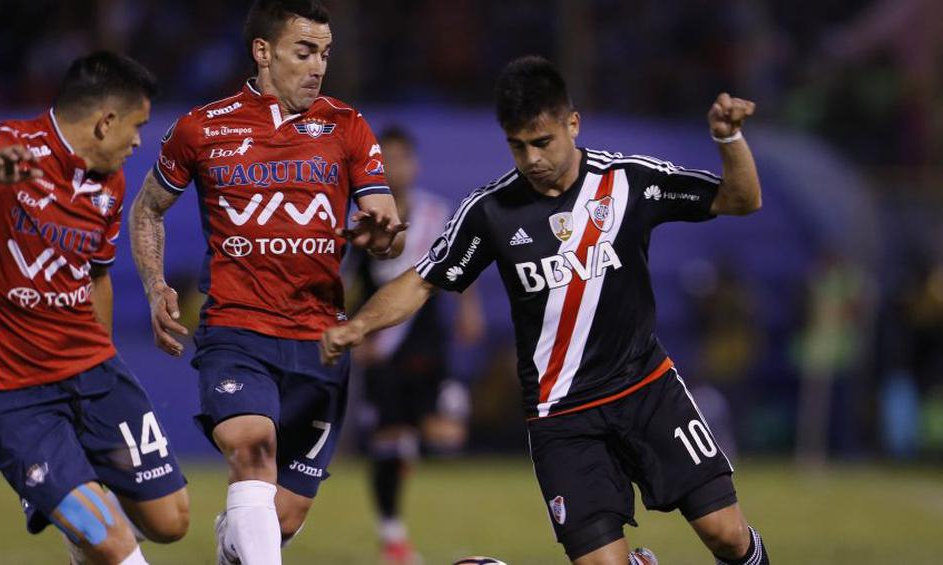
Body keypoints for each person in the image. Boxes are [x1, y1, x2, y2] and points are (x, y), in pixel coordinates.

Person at [322, 55, 769, 565]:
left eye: (542, 142)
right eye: (517, 146)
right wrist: (357, 325)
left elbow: (741, 199)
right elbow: (422, 280)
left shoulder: (628, 182)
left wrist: (729, 139)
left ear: (572, 124)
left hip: (647, 391)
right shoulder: (490, 211)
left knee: (728, 535)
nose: (531, 158)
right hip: (561, 416)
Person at [128, 1, 405, 563]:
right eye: (304, 52)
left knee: (279, 517)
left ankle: (234, 542)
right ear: (263, 51)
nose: (317, 66)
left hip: (321, 342)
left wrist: (383, 234)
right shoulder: (201, 128)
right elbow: (147, 209)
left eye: (325, 54)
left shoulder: (347, 126)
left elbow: (386, 220)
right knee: (252, 449)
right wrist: (156, 283)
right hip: (238, 330)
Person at [0, 51, 189, 565]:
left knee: (170, 521)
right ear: (106, 121)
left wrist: (103, 360)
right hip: (11, 393)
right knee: (113, 542)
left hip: (93, 375)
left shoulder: (110, 183)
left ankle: (74, 514)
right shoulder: (7, 148)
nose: (138, 142)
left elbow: (97, 276)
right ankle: (75, 513)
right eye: (137, 127)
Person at [346, 126, 485, 564]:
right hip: (380, 345)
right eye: (384, 161)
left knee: (446, 435)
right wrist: (352, 329)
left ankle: (421, 435)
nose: (393, 169)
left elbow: (456, 266)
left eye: (400, 159)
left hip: (425, 338)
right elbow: (345, 281)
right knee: (389, 438)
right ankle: (393, 536)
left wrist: (468, 309)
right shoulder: (363, 217)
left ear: (414, 164)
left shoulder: (434, 214)